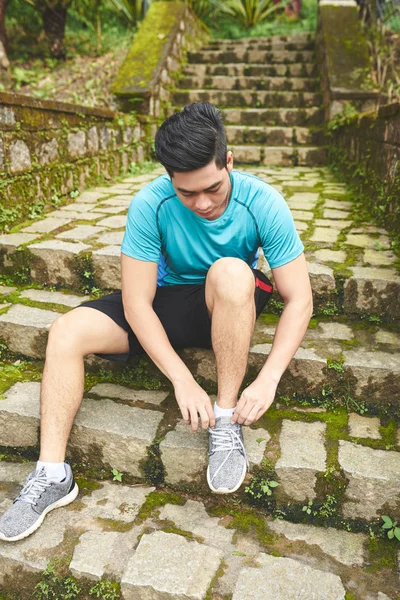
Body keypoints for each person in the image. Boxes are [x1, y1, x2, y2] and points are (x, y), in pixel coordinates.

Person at [0, 102, 313, 542]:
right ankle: (52, 474)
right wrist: (182, 380)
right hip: (165, 304)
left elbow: (299, 299)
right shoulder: (150, 203)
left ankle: (225, 421)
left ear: (229, 161)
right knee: (65, 331)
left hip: (224, 301)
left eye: (212, 188)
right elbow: (138, 303)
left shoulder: (262, 202)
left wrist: (269, 380)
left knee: (231, 271)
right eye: (187, 192)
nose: (202, 203)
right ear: (170, 179)